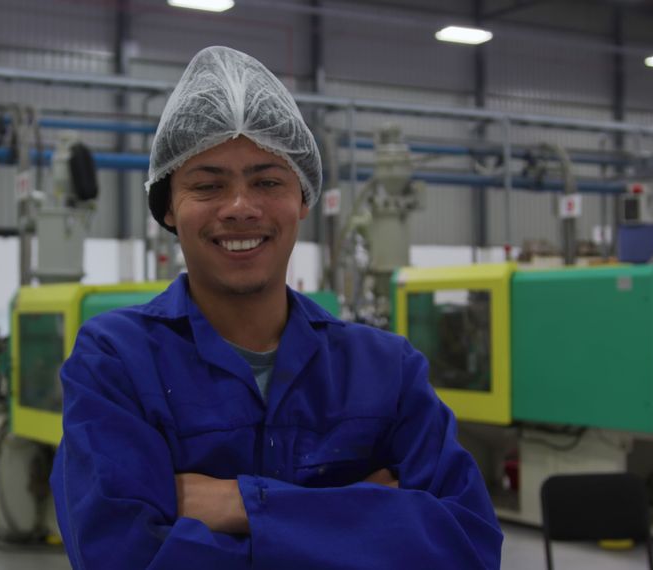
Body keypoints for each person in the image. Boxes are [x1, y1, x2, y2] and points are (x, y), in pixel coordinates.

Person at [50, 46, 502, 569]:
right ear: (168, 207)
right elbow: (121, 558)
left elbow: (467, 547)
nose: (240, 207)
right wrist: (367, 512)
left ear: (303, 198)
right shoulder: (116, 364)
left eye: (267, 181)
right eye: (208, 184)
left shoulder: (387, 372)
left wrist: (241, 504)